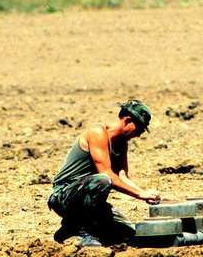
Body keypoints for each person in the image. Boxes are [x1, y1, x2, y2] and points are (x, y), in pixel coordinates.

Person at [47, 99, 164, 247]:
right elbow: (107, 175)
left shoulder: (122, 143)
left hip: (87, 199)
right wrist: (139, 195)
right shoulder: (97, 132)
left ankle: (70, 227)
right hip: (63, 196)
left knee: (128, 234)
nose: (139, 135)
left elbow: (122, 177)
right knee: (103, 181)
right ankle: (85, 233)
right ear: (127, 120)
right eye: (139, 128)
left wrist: (147, 194)